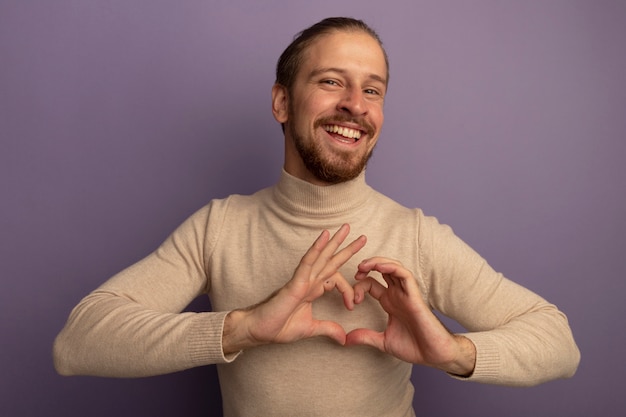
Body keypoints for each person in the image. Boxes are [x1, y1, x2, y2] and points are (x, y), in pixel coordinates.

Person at [54, 17, 580, 417]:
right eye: (332, 81)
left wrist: (453, 351)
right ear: (282, 103)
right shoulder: (220, 227)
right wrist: (244, 328)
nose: (355, 104)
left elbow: (558, 342)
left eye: (372, 89)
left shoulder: (415, 235)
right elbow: (78, 342)